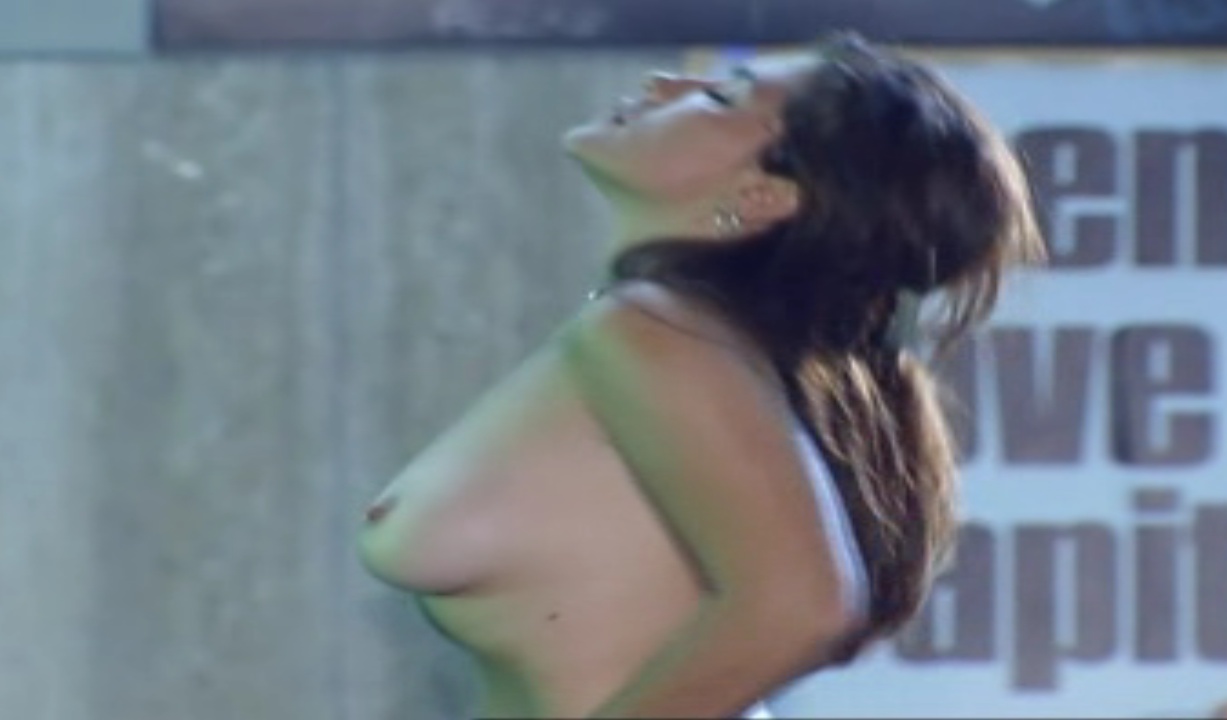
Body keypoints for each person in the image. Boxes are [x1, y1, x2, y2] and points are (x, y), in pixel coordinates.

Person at [357, 30, 1045, 719]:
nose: (664, 83)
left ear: (765, 194)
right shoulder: (686, 340)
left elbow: (804, 604)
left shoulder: (660, 333)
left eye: (722, 98)